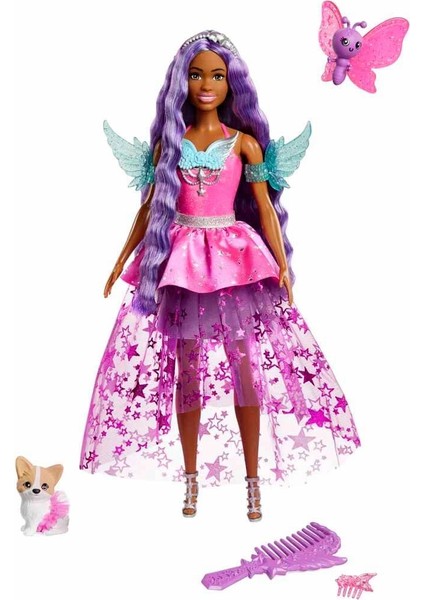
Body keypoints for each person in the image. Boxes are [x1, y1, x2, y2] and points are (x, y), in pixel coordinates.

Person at [80, 30, 360, 522]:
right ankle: (191, 481)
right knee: (187, 370)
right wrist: (120, 260)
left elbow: (266, 209)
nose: (206, 84)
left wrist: (283, 264)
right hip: (182, 263)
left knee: (243, 368)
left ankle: (253, 482)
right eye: (196, 75)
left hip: (233, 261)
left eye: (216, 76)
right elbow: (148, 210)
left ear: (231, 84)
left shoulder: (245, 144)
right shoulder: (171, 145)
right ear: (181, 82)